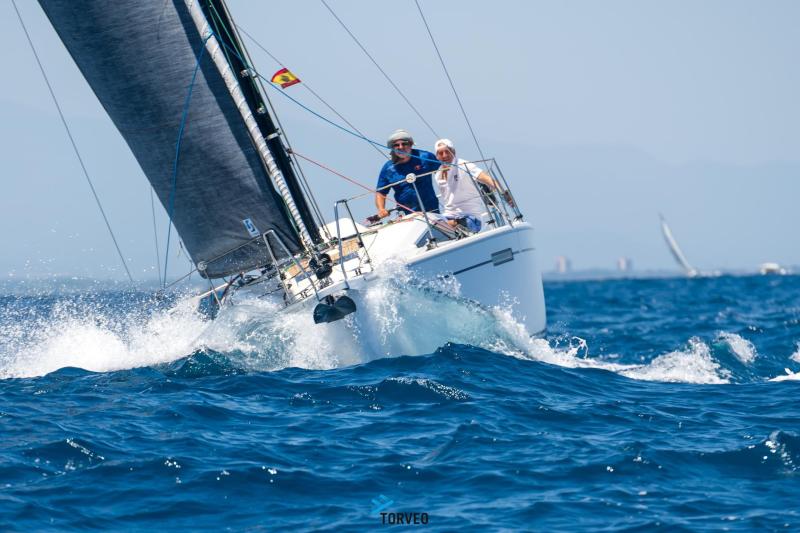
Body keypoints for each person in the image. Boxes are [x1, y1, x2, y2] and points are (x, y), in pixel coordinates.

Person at [432, 138, 513, 233]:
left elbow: (486, 178)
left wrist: (504, 192)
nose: (445, 155)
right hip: (448, 216)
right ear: (437, 156)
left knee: (448, 225)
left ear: (453, 152)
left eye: (447, 151)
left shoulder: (463, 165)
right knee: (428, 223)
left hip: (471, 217)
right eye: (441, 153)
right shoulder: (438, 174)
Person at [375, 129, 440, 218]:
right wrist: (381, 209)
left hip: (432, 211)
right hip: (407, 215)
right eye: (396, 145)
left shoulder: (425, 157)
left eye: (404, 144)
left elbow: (443, 172)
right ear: (392, 148)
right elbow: (381, 192)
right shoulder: (388, 169)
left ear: (411, 144)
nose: (401, 147)